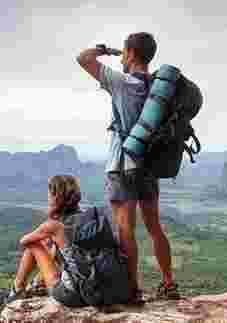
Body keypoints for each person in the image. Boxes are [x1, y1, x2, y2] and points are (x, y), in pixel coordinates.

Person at [76, 32, 180, 302]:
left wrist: (107, 50)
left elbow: (83, 58)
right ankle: (169, 284)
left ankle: (133, 290)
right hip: (149, 165)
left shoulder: (122, 82)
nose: (122, 56)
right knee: (155, 227)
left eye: (125, 52)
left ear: (132, 54)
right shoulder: (158, 88)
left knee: (125, 229)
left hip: (122, 165)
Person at [4, 175, 131, 307]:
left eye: (49, 194)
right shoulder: (90, 219)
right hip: (110, 290)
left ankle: (17, 290)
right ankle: (36, 284)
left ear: (55, 197)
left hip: (76, 295)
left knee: (34, 245)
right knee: (59, 248)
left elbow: (24, 241)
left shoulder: (53, 226)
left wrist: (45, 229)